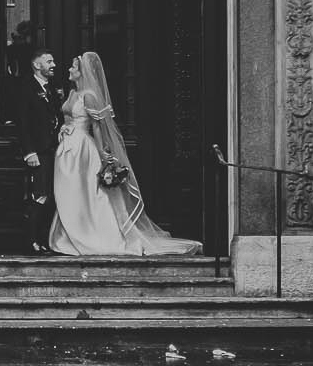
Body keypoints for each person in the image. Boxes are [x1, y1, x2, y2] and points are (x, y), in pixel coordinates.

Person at [48, 51, 200, 257]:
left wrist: (103, 155)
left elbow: (98, 127)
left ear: (82, 72)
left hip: (83, 151)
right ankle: (69, 235)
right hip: (67, 151)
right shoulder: (73, 93)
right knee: (69, 194)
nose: (69, 69)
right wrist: (64, 128)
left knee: (87, 194)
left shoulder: (90, 97)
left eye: (73, 67)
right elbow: (68, 117)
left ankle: (91, 236)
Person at [12, 47, 67, 254]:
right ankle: (31, 241)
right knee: (40, 195)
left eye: (53, 61)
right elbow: (22, 123)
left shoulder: (53, 86)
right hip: (39, 152)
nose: (53, 65)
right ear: (37, 65)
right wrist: (29, 152)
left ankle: (46, 239)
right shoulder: (25, 87)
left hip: (56, 150)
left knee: (53, 195)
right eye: (49, 61)